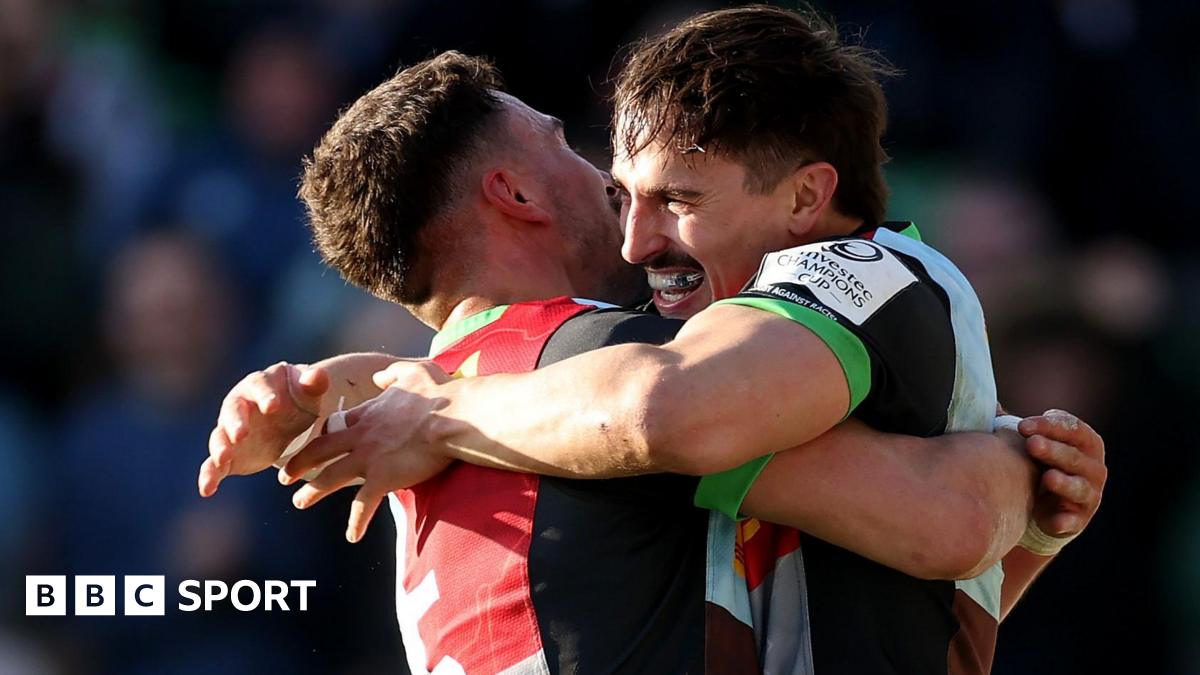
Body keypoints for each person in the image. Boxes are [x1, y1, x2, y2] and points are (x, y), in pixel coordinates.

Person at [203, 18, 1101, 675]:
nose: (628, 224)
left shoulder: (447, 399)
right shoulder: (590, 370)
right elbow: (949, 518)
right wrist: (1022, 479)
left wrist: (400, 394)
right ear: (515, 192)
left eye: (674, 198)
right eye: (565, 143)